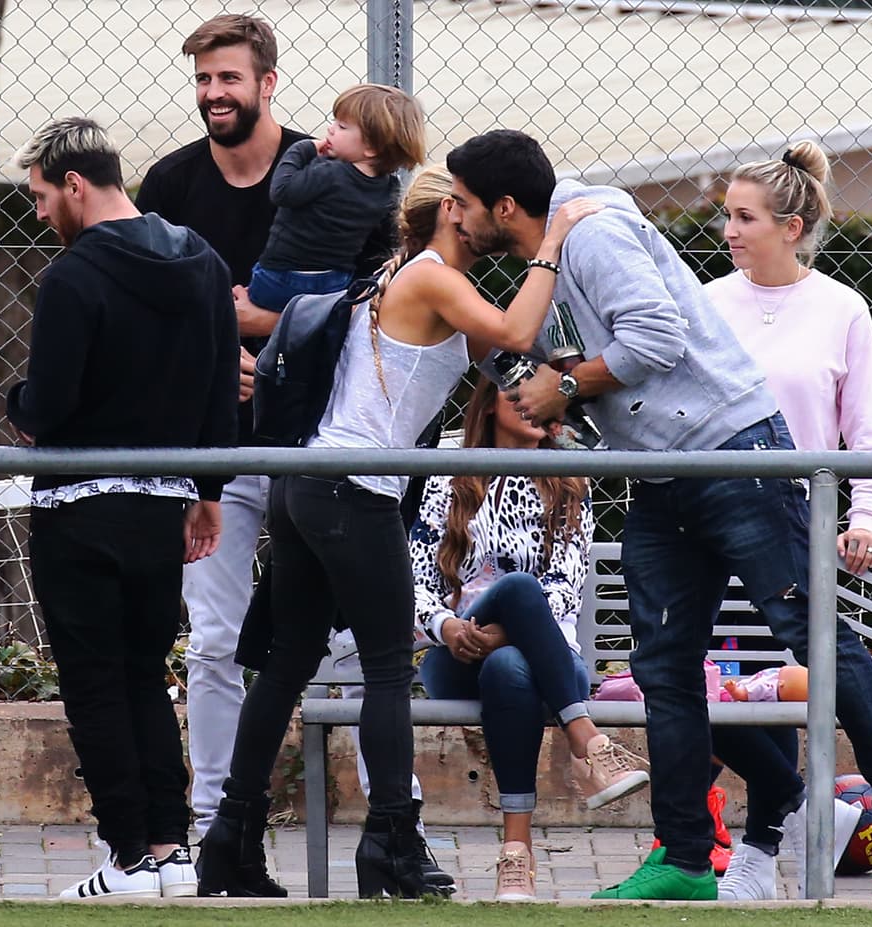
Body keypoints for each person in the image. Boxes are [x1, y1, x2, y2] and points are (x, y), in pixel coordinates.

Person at [447, 129, 872, 901]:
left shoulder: (594, 234)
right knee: (664, 667)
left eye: (464, 204)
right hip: (663, 474)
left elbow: (657, 336)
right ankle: (684, 855)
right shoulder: (550, 251)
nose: (457, 214)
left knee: (809, 630)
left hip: (734, 454)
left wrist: (569, 386)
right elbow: (532, 361)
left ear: (504, 205)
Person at [194, 163, 601, 899]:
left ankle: (232, 840)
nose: (494, 222)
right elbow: (512, 326)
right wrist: (554, 243)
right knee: (385, 666)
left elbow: (513, 350)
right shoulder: (430, 274)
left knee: (286, 664)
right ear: (451, 211)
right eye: (482, 208)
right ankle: (390, 842)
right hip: (350, 492)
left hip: (313, 487)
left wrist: (573, 363)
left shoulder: (419, 284)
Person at [8, 116, 238, 900]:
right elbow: (218, 389)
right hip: (165, 504)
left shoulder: (74, 277)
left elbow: (50, 405)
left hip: (81, 506)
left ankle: (129, 856)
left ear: (75, 184)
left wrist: (17, 400)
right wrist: (207, 496)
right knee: (146, 674)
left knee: (95, 682)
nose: (40, 214)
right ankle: (171, 849)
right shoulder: (202, 260)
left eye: (42, 197)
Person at [132, 14, 313, 848]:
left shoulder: (321, 172)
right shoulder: (169, 185)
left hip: (318, 441)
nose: (214, 95)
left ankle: (398, 809)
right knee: (212, 637)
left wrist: (270, 353)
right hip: (214, 449)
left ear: (268, 83)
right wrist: (213, 365)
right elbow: (147, 312)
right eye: (204, 80)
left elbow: (371, 304)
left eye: (229, 79)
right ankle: (212, 820)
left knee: (346, 637)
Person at [706, 142, 872, 900]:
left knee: (777, 683)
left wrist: (867, 516)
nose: (727, 230)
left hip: (795, 532)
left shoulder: (842, 308)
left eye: (743, 217)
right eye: (726, 215)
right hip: (712, 525)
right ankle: (777, 808)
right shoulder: (710, 300)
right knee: (711, 689)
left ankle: (758, 850)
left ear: (792, 225)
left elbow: (868, 429)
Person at [410, 378, 649, 902]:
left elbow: (565, 588)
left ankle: (514, 855)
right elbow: (417, 585)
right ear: (489, 401)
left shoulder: (566, 481)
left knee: (511, 665)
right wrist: (448, 627)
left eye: (540, 393)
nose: (529, 403)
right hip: (457, 652)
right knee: (515, 591)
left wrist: (508, 633)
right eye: (516, 390)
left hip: (546, 659)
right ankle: (588, 740)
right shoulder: (448, 478)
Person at [247, 83, 424, 311]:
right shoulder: (388, 188)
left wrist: (302, 149)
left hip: (278, 278)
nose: (331, 129)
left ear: (371, 148)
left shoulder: (330, 171)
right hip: (334, 283)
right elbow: (389, 235)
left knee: (262, 304)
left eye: (341, 126)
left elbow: (282, 192)